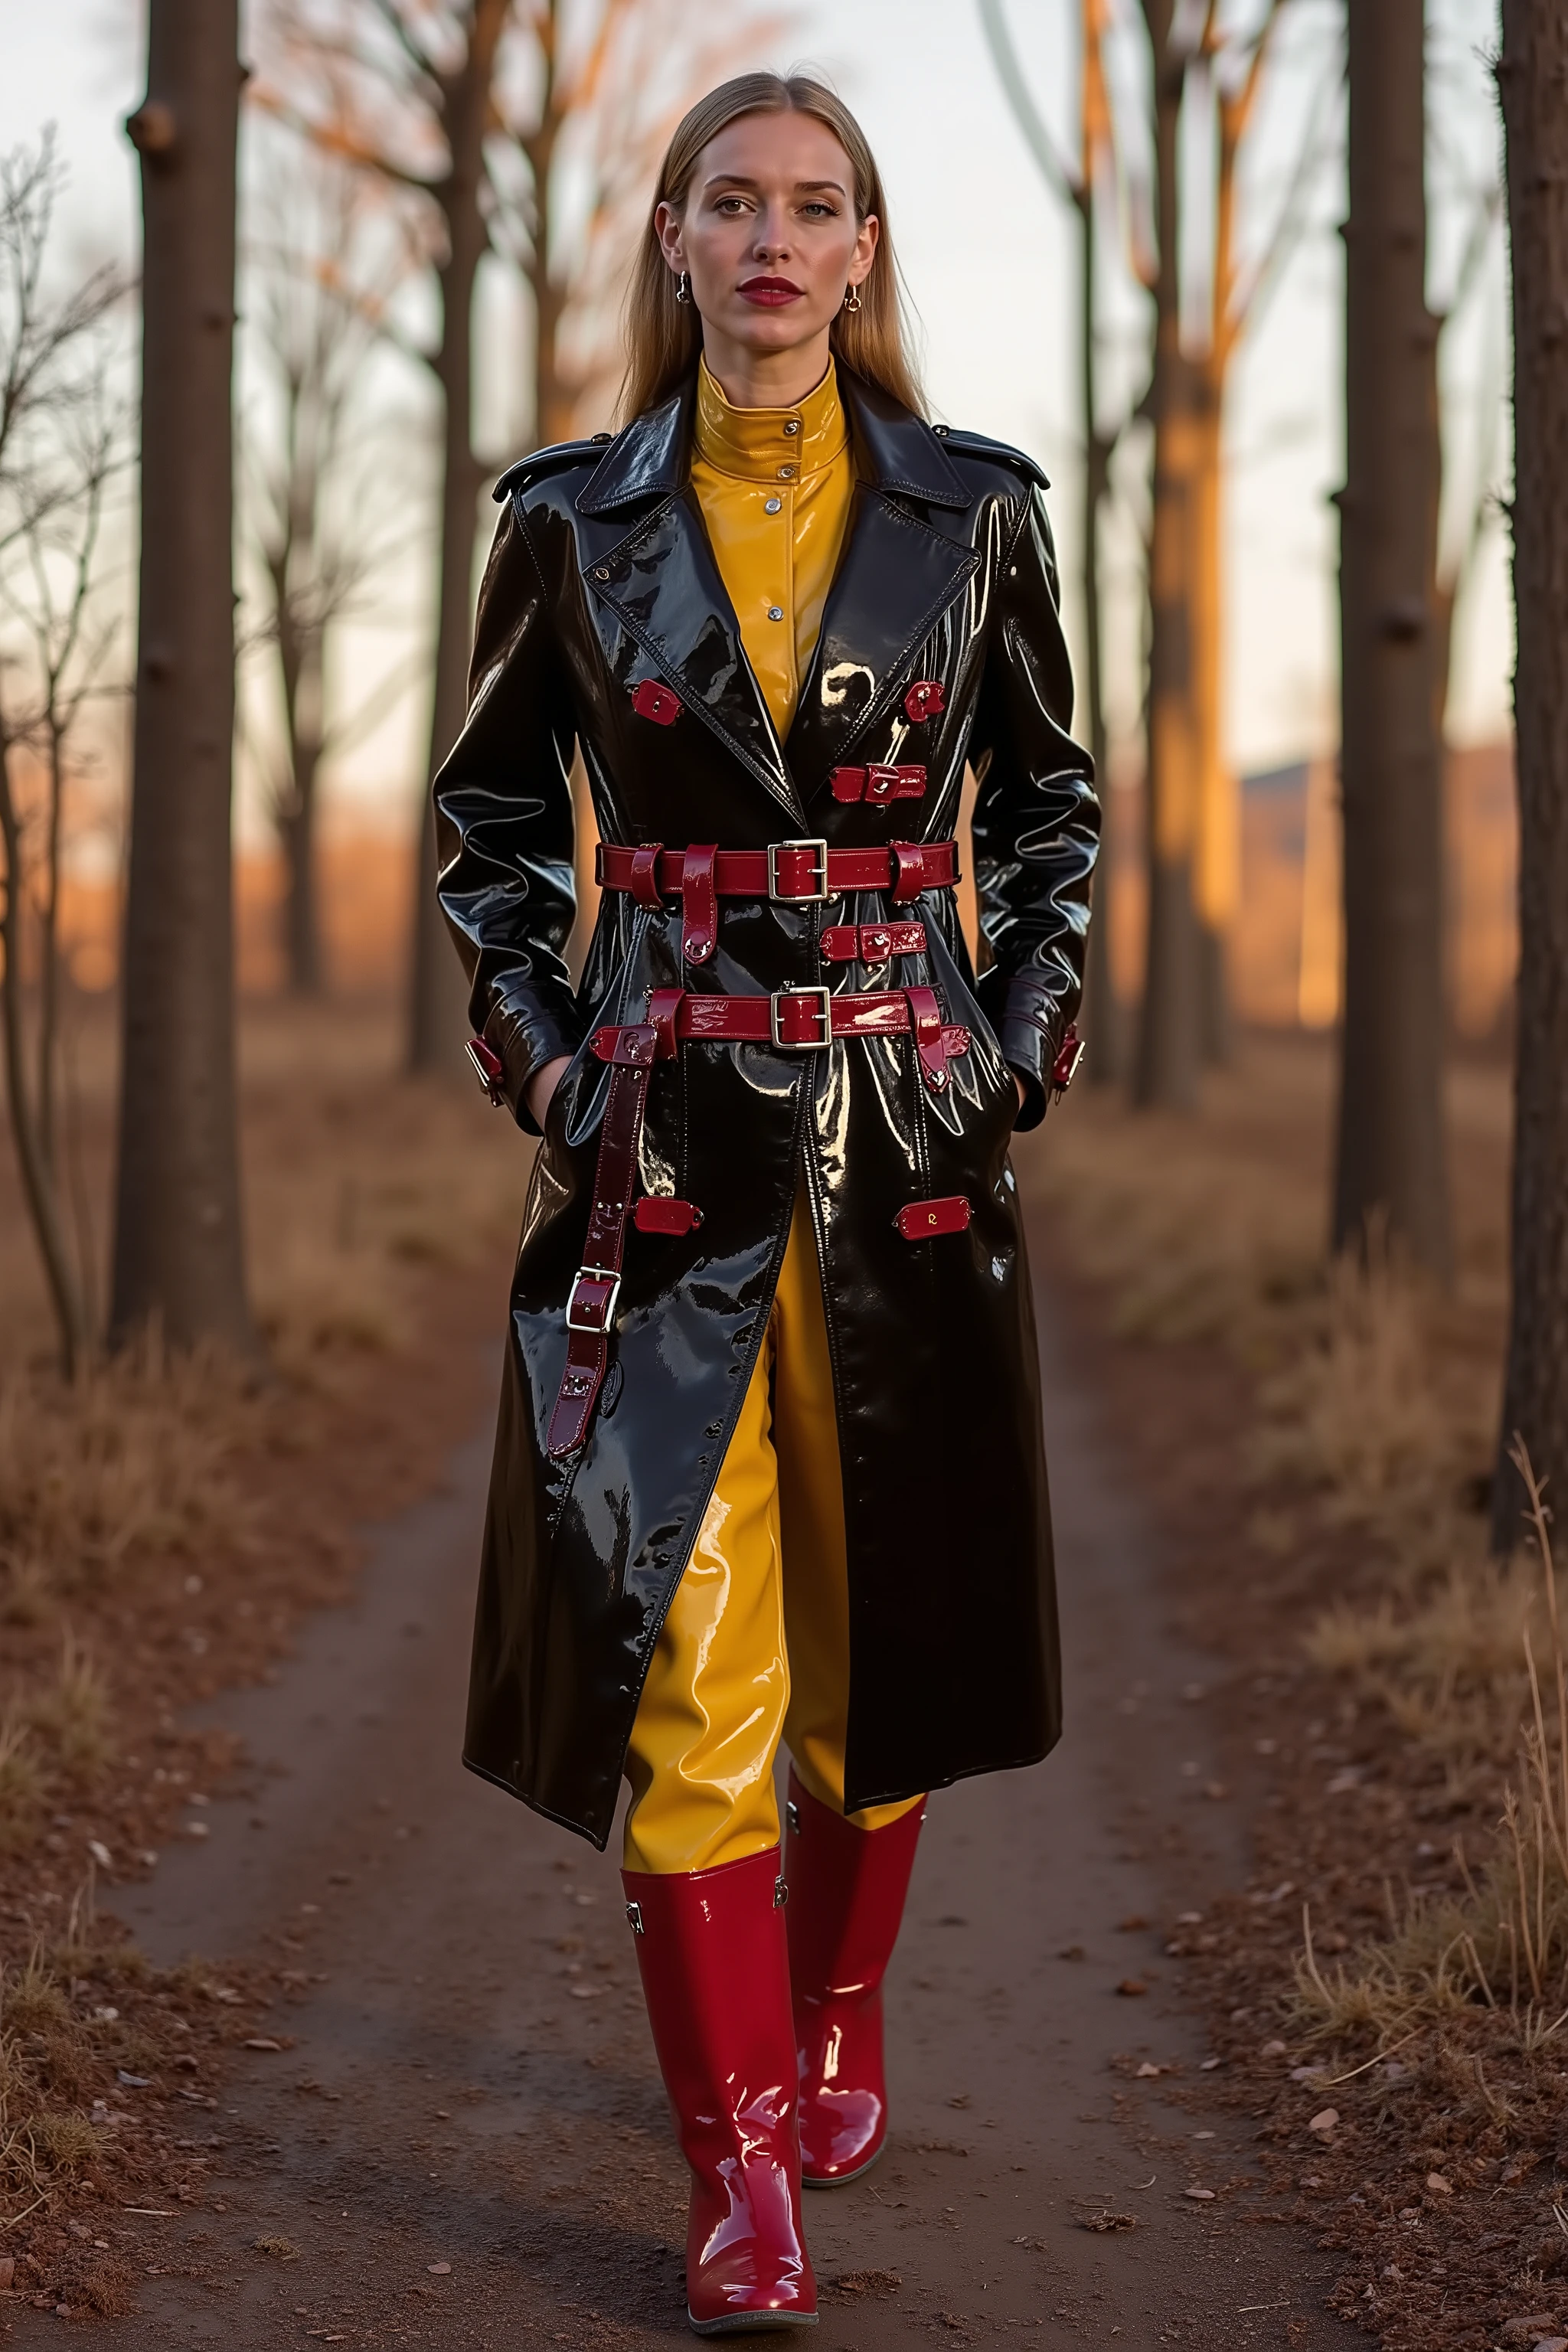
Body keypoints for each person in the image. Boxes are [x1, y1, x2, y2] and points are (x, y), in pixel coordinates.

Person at [434, 70, 1098, 2338]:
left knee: (875, 1637)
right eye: (734, 203)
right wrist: (537, 1050)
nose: (777, 241)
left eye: (818, 205)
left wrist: (1019, 1046)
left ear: (869, 249)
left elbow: (1053, 812)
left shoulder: (981, 515)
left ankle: (836, 2017)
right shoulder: (565, 519)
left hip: (906, 1135)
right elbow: (490, 827)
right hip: (655, 1148)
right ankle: (740, 2179)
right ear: (674, 242)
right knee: (685, 1665)